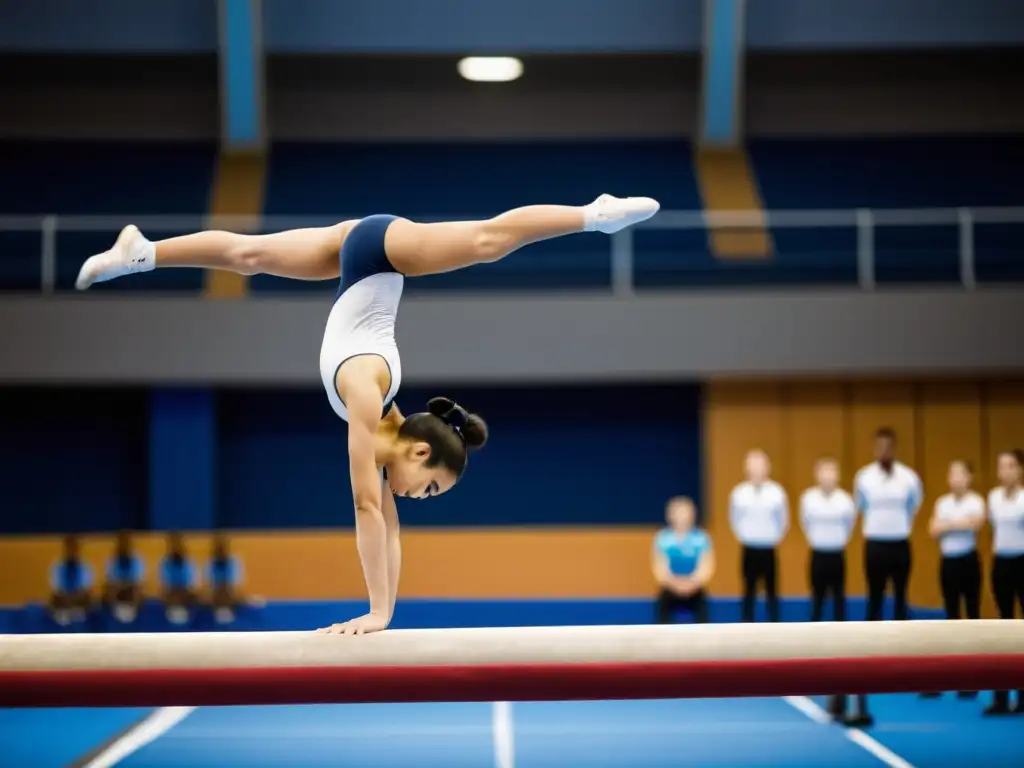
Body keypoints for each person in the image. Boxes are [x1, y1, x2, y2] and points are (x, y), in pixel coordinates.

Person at [75, 194, 660, 635]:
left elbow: (387, 517)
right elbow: (365, 506)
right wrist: (380, 611)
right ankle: (594, 213)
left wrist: (384, 609)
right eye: (429, 489)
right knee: (486, 241)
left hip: (356, 254)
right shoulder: (366, 395)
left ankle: (142, 253)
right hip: (379, 249)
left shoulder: (387, 423)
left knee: (246, 254)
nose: (417, 499)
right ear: (420, 450)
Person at [925, 460, 984, 699]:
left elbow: (976, 524)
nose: (956, 478)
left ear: (969, 477)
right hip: (948, 562)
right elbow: (933, 530)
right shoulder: (942, 502)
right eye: (953, 474)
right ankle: (950, 675)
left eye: (961, 474)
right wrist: (959, 524)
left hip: (968, 561)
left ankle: (972, 677)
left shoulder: (976, 501)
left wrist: (947, 525)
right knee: (951, 616)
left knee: (971, 616)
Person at [854, 428, 923, 622]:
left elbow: (914, 505)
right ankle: (872, 646)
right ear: (875, 449)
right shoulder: (864, 477)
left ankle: (902, 646)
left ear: (894, 448)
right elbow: (862, 506)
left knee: (901, 595)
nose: (883, 451)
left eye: (888, 446)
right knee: (874, 596)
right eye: (880, 447)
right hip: (875, 544)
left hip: (899, 543)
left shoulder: (908, 477)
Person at [985, 449, 1024, 716]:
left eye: (1011, 466)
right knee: (1002, 627)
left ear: (1020, 470)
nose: (1006, 471)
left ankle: (1021, 696)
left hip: (1022, 562)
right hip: (1001, 564)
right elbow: (993, 530)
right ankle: (1000, 696)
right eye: (1002, 466)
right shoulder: (993, 497)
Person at [729, 450, 788, 622]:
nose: (756, 470)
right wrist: (745, 536)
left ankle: (776, 627)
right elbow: (734, 519)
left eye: (759, 465)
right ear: (746, 468)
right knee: (749, 591)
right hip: (749, 548)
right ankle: (746, 627)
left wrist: (773, 538)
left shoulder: (777, 492)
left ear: (767, 468)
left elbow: (783, 521)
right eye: (752, 466)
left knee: (772, 592)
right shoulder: (739, 493)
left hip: (769, 548)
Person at [799, 457, 856, 622]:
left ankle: (843, 643)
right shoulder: (808, 498)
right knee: (817, 600)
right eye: (824, 471)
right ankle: (814, 642)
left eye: (832, 471)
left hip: (837, 555)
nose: (828, 476)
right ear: (817, 474)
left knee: (839, 599)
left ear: (837, 475)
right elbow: (805, 522)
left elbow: (849, 524)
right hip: (818, 555)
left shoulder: (845, 500)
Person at [652, 497, 715, 624]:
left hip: (694, 588)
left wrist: (692, 583)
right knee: (662, 603)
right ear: (670, 516)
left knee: (703, 604)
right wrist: (675, 584)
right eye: (678, 513)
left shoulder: (702, 538)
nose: (682, 517)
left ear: (692, 515)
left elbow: (706, 566)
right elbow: (659, 568)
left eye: (685, 512)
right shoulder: (662, 539)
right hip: (671, 588)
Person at [48, 534, 94, 627]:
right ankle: (62, 616)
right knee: (54, 598)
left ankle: (79, 616)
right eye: (69, 549)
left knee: (88, 597)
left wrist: (75, 597)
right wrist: (67, 598)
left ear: (77, 550)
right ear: (65, 549)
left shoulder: (85, 567)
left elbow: (85, 590)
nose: (71, 552)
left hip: (79, 601)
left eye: (73, 549)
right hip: (63, 601)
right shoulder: (57, 567)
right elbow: (56, 590)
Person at [103, 530, 145, 624]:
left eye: (126, 543)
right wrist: (120, 585)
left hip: (130, 589)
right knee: (110, 590)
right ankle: (115, 611)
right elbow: (110, 580)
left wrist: (126, 585)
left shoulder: (136, 559)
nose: (124, 546)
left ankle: (133, 608)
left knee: (136, 590)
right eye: (122, 543)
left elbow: (138, 580)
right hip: (118, 590)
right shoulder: (112, 560)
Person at [160, 532, 198, 625]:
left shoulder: (189, 563)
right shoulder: (165, 563)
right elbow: (165, 585)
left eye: (178, 546)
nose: (176, 549)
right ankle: (174, 610)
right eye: (174, 547)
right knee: (170, 594)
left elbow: (192, 585)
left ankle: (186, 614)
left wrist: (183, 591)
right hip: (172, 592)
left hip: (184, 593)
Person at [207, 533, 243, 625]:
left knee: (226, 590)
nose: (220, 551)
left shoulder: (234, 562)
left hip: (229, 594)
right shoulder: (211, 563)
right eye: (218, 548)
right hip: (216, 595)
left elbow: (236, 585)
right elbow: (209, 585)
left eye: (222, 548)